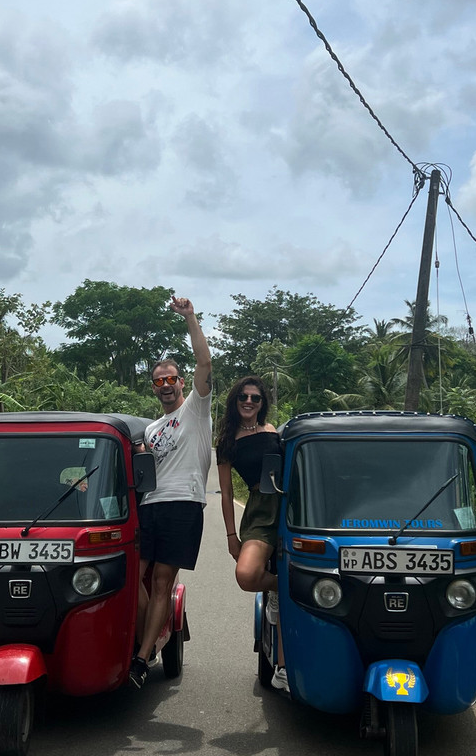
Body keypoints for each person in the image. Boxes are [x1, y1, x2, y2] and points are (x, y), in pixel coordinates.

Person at [129, 296, 213, 689]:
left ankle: (142, 658)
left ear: (181, 382)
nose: (165, 386)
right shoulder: (150, 430)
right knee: (135, 577)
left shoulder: (196, 408)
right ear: (153, 388)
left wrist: (190, 318)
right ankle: (147, 637)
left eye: (171, 379)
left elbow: (205, 363)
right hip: (151, 506)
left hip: (184, 503)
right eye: (158, 381)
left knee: (163, 580)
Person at [216, 375, 289, 691]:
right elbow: (226, 491)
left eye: (255, 398)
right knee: (246, 575)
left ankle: (284, 669)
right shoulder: (228, 442)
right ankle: (276, 587)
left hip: (290, 505)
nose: (249, 401)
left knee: (292, 590)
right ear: (235, 401)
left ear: (263, 403)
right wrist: (232, 536)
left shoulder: (275, 432)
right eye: (243, 397)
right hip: (259, 511)